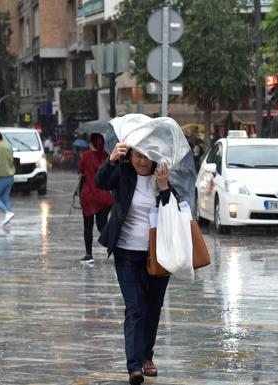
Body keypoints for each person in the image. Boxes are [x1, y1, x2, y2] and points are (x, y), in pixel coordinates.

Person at [96, 142, 173, 385]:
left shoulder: (163, 175)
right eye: (138, 156)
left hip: (158, 254)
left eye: (147, 157)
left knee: (152, 308)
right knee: (135, 306)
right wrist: (110, 161)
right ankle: (134, 366)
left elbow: (175, 211)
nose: (142, 162)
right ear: (130, 155)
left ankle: (147, 357)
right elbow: (101, 182)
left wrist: (163, 187)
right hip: (127, 253)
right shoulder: (122, 172)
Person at [77, 133, 114, 264]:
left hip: (89, 197)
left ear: (91, 143)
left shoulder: (86, 156)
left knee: (88, 226)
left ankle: (89, 254)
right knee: (102, 225)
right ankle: (116, 247)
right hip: (105, 197)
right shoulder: (106, 156)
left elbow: (80, 172)